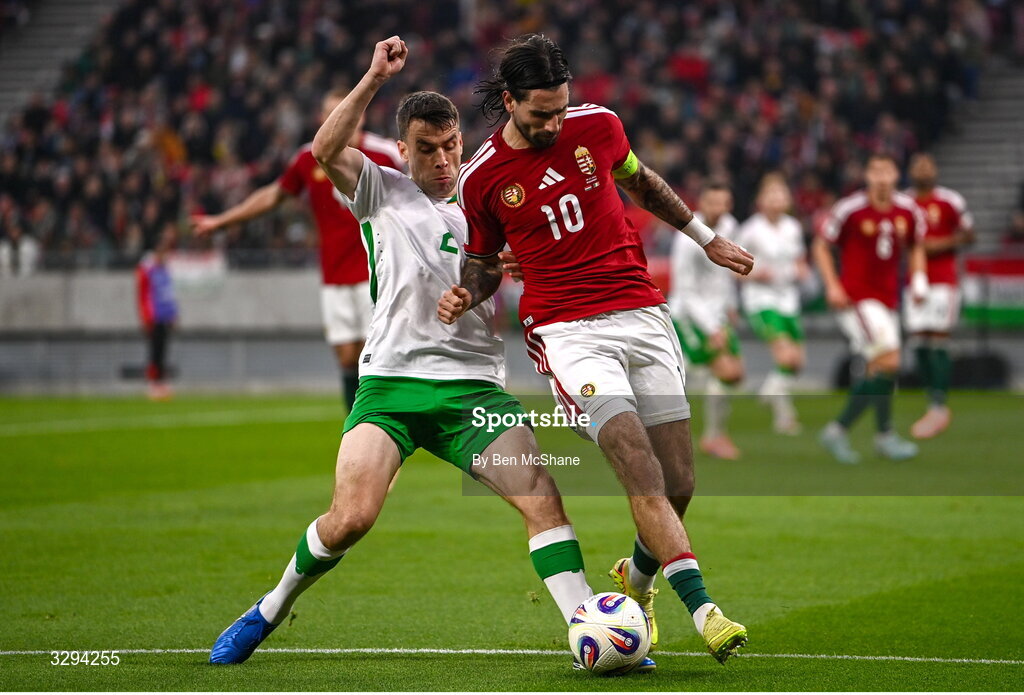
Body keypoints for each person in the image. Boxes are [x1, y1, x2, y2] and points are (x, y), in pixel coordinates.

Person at [209, 37, 616, 672]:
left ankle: (591, 630)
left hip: (473, 388)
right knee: (350, 519)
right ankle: (268, 608)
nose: (442, 159)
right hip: (391, 384)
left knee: (542, 497)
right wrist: (374, 76)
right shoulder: (380, 190)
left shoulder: (487, 192)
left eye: (450, 145)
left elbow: (522, 256)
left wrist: (501, 270)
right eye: (426, 149)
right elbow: (324, 150)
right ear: (402, 149)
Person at [437, 34, 752, 663]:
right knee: (637, 462)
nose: (554, 123)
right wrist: (468, 293)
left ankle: (636, 583)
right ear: (509, 102)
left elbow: (643, 183)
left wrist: (705, 237)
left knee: (679, 482)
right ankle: (706, 611)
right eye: (540, 114)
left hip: (641, 311)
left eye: (560, 109)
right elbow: (483, 263)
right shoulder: (482, 178)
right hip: (568, 332)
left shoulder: (600, 127)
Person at [191, 89, 404, 410]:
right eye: (331, 113)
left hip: (377, 273)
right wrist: (221, 221)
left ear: (360, 114)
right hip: (334, 273)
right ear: (322, 119)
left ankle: (379, 426)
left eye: (346, 111)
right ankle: (356, 425)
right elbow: (274, 195)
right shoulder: (308, 158)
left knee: (375, 358)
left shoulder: (384, 153)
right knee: (347, 357)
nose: (340, 118)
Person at [813, 153, 928, 464]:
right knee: (889, 359)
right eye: (875, 171)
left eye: (887, 171)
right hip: (856, 299)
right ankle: (841, 430)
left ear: (896, 175)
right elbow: (821, 245)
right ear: (867, 175)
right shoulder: (850, 209)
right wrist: (832, 285)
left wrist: (919, 279)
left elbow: (916, 246)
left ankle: (882, 436)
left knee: (881, 368)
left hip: (888, 299)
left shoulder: (908, 210)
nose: (881, 177)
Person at [669, 183, 746, 460]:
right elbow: (685, 291)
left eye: (723, 203)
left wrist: (730, 305)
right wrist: (711, 329)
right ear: (702, 203)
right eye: (713, 202)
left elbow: (724, 273)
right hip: (688, 314)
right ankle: (711, 436)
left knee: (733, 374)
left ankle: (712, 436)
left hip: (717, 313)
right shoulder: (686, 237)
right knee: (724, 371)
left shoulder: (730, 226)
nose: (718, 209)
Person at [904, 153, 974, 439]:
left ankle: (939, 405)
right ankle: (931, 399)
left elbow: (969, 235)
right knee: (918, 341)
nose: (923, 170)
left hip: (944, 280)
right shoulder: (903, 203)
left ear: (935, 170)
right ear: (911, 171)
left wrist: (939, 243)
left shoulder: (950, 200)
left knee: (939, 338)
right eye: (918, 166)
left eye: (927, 166)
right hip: (913, 280)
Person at [735, 174, 809, 435]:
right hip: (762, 299)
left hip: (788, 298)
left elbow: (800, 260)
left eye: (781, 194)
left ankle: (770, 391)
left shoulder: (793, 227)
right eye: (771, 194)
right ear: (761, 200)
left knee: (797, 363)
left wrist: (802, 271)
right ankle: (784, 417)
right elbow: (735, 268)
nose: (777, 199)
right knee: (785, 356)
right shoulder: (750, 230)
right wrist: (755, 274)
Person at [136, 227, 179, 401]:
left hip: (164, 316)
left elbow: (169, 294)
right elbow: (143, 295)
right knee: (154, 351)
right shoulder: (147, 270)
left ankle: (161, 382)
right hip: (153, 317)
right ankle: (153, 384)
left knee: (162, 350)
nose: (164, 254)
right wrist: (146, 316)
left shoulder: (165, 270)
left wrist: (173, 313)